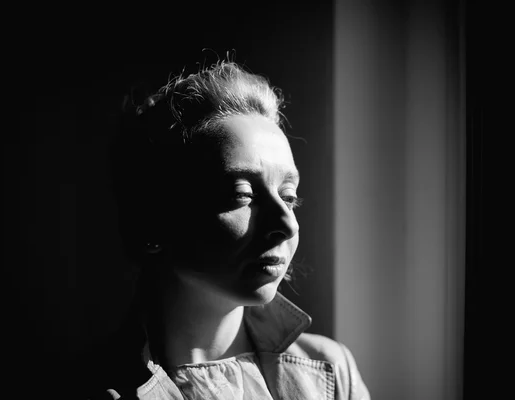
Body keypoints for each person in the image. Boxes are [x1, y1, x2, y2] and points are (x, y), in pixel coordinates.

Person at [84, 60, 370, 399]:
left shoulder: (333, 371)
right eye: (241, 195)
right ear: (153, 217)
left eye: (289, 197)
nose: (286, 224)